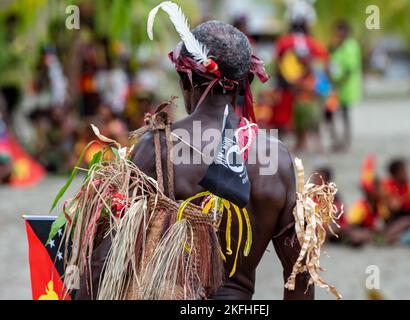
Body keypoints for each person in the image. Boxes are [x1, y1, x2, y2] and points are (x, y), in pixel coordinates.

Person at [75, 18, 314, 299]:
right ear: (246, 83)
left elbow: (103, 260)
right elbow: (300, 274)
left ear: (186, 81)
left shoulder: (156, 148)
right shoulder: (276, 158)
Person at [272, 1, 329, 151]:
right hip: (305, 88)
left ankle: (289, 145)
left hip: (288, 87)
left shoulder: (284, 42)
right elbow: (323, 61)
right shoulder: (312, 43)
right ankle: (310, 144)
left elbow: (277, 63)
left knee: (286, 119)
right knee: (308, 119)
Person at [328, 20, 362, 151]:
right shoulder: (338, 45)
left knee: (344, 114)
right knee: (332, 114)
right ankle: (337, 141)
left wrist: (338, 81)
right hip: (336, 86)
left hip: (345, 87)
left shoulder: (350, 46)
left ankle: (346, 142)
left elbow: (350, 68)